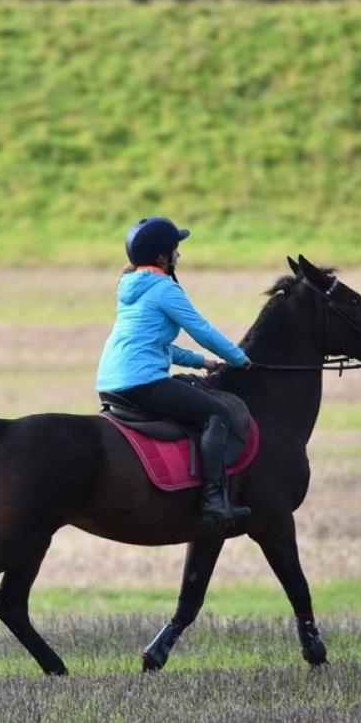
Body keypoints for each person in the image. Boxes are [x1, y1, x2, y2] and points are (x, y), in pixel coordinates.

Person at [96, 216, 254, 523]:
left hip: (110, 381)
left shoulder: (130, 287)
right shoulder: (164, 289)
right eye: (175, 250)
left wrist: (202, 362)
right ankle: (212, 502)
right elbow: (202, 330)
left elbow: (156, 344)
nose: (178, 255)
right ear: (161, 257)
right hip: (141, 382)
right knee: (216, 413)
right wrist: (239, 358)